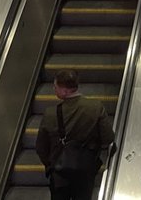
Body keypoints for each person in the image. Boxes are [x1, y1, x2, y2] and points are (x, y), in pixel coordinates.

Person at [35, 69, 114, 200]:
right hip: (85, 171)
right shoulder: (96, 107)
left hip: (59, 174)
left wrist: (50, 165)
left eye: (56, 87)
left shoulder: (50, 113)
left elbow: (41, 147)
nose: (54, 89)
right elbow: (108, 137)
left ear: (64, 91)